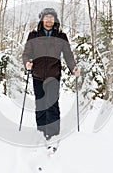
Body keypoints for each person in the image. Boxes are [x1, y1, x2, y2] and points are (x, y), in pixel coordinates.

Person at [22, 8, 80, 142]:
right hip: (37, 75)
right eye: (46, 17)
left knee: (52, 103)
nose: (49, 20)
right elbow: (26, 54)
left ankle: (53, 134)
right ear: (42, 19)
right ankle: (41, 131)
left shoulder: (61, 36)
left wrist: (74, 68)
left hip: (53, 75)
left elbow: (68, 55)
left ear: (55, 20)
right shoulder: (33, 35)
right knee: (40, 103)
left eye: (51, 17)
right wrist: (27, 63)